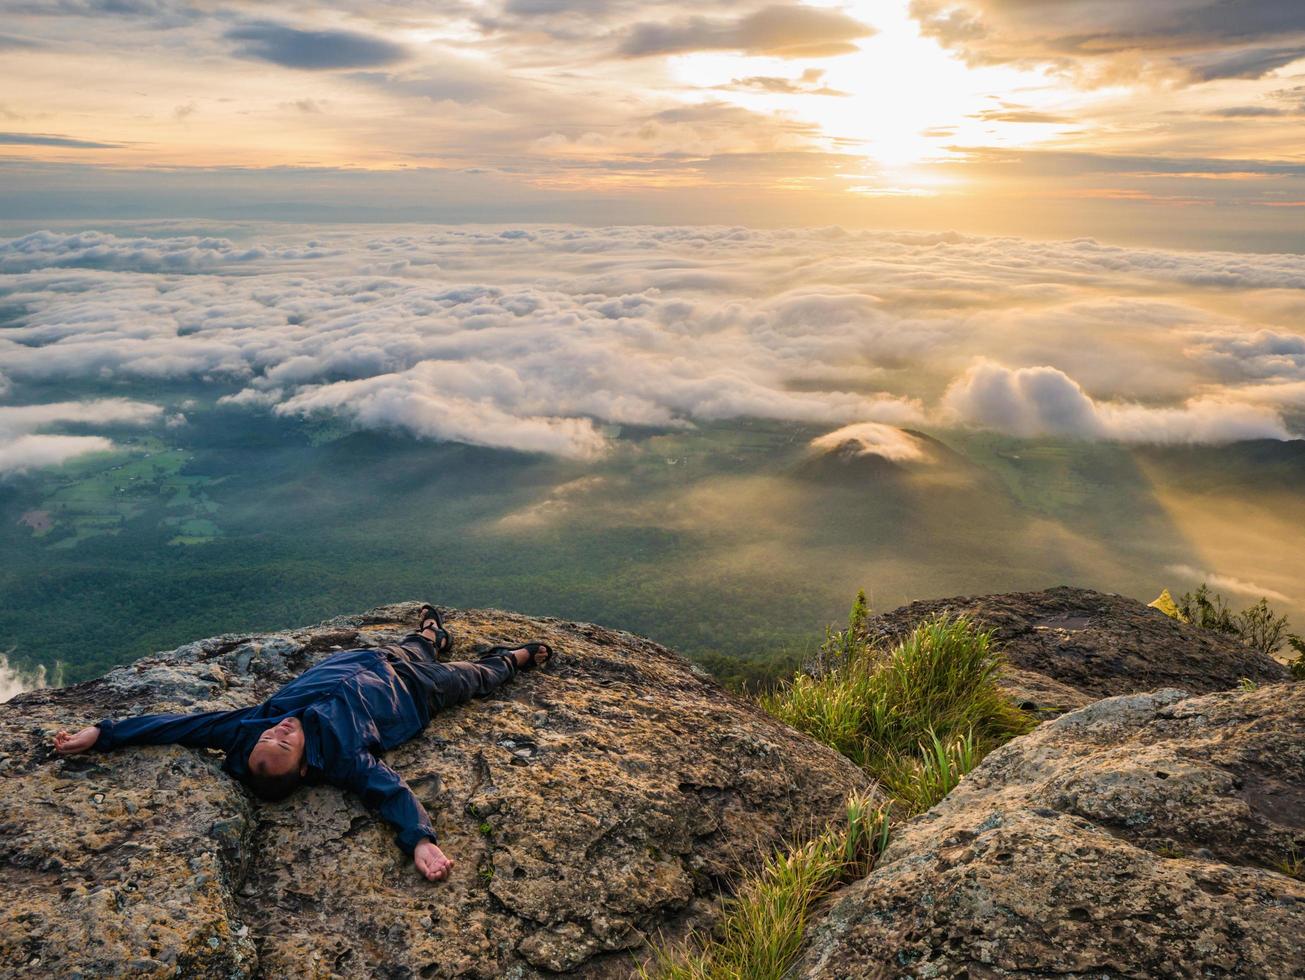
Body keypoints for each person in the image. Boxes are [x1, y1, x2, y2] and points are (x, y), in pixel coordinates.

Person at [51, 605, 554, 883]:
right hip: (418, 692)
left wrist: (104, 733)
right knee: (477, 676)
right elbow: (389, 791)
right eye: (283, 742)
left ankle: (430, 632)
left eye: (270, 737)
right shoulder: (343, 758)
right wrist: (420, 841)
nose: (279, 730)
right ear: (304, 769)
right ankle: (519, 655)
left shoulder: (248, 728)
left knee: (414, 645)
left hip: (371, 659)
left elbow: (178, 725)